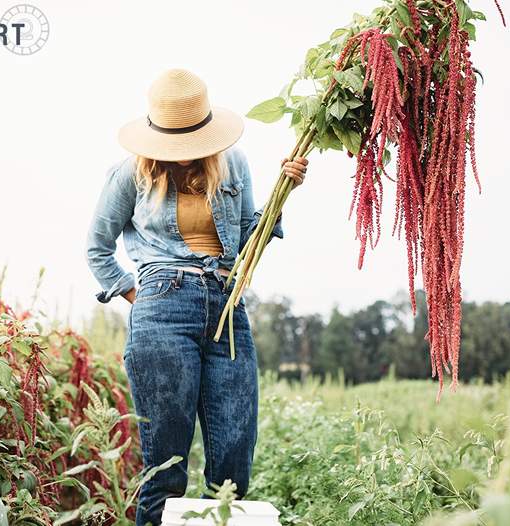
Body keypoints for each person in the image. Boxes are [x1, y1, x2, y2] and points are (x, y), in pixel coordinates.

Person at [85, 68, 309, 526]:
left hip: (227, 305)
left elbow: (249, 239)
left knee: (232, 463)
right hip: (162, 305)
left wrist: (282, 195)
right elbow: (97, 249)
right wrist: (141, 295)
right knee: (165, 467)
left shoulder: (234, 162)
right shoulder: (129, 173)